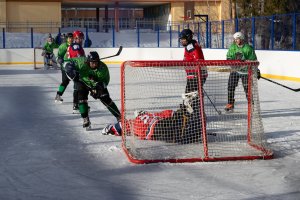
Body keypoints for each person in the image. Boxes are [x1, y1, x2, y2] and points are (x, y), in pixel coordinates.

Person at [102, 92, 202, 144]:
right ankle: (188, 110)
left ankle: (190, 119)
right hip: (160, 125)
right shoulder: (153, 115)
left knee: (177, 135)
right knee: (177, 121)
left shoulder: (133, 121)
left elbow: (118, 126)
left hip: (155, 132)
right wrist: (178, 113)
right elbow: (169, 113)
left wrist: (108, 129)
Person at [65, 51, 121, 129]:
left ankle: (119, 117)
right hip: (82, 82)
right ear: (88, 61)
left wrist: (98, 88)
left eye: (96, 62)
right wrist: (70, 69)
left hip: (96, 84)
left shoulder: (102, 68)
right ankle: (85, 119)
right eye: (92, 62)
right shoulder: (81, 62)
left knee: (105, 98)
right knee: (81, 99)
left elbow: (105, 81)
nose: (95, 64)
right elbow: (67, 63)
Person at [224, 32, 259, 112]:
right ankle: (230, 103)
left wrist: (255, 69)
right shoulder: (232, 47)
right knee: (230, 87)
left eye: (238, 39)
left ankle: (251, 104)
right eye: (235, 39)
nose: (236, 40)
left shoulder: (248, 48)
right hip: (235, 70)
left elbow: (254, 60)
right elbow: (228, 57)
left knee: (247, 89)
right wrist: (231, 62)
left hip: (245, 72)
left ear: (242, 38)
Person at [179, 28, 207, 93]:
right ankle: (191, 102)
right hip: (194, 73)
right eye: (181, 39)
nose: (182, 41)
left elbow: (198, 58)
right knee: (190, 92)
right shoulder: (192, 44)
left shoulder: (190, 46)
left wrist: (197, 72)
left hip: (195, 73)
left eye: (183, 39)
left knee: (193, 92)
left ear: (188, 38)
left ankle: (196, 102)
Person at [65, 30, 86, 113]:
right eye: (78, 38)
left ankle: (76, 104)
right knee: (79, 87)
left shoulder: (75, 45)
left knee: (77, 87)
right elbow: (78, 57)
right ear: (74, 38)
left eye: (81, 38)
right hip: (75, 69)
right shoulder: (76, 46)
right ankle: (76, 105)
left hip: (74, 68)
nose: (80, 40)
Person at [54, 32, 73, 104]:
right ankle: (58, 95)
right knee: (65, 81)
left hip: (73, 67)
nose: (71, 39)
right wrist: (59, 59)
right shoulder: (63, 46)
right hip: (65, 66)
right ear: (67, 38)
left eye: (71, 38)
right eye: (69, 38)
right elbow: (58, 56)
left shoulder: (74, 46)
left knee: (78, 83)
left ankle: (78, 101)